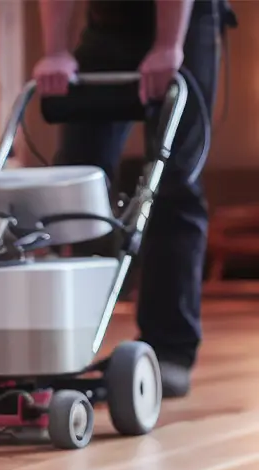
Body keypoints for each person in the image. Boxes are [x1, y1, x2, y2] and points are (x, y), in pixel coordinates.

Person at [33, 0, 232, 398]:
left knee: (173, 182)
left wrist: (168, 45)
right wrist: (55, 51)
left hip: (186, 22)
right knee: (75, 178)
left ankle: (169, 350)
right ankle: (62, 339)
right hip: (108, 21)